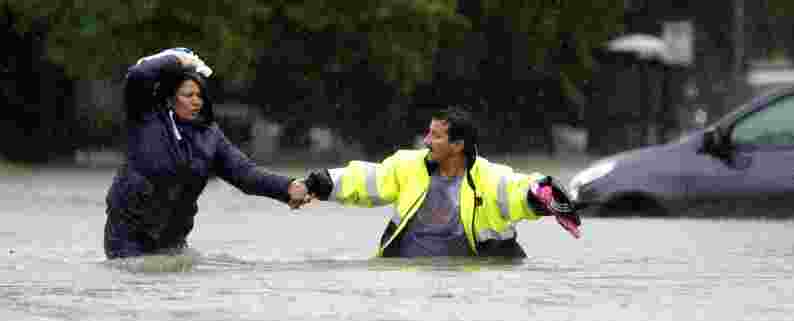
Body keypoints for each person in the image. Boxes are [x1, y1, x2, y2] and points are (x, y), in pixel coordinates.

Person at [103, 48, 311, 259]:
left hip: (172, 240)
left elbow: (246, 174)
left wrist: (287, 188)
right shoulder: (144, 116)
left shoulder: (209, 135)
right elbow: (139, 74)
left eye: (200, 95)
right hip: (128, 239)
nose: (197, 101)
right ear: (169, 98)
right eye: (188, 95)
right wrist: (179, 59)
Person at [301, 106, 581, 258]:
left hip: (468, 285)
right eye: (428, 133)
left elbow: (517, 189)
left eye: (436, 136)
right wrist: (320, 182)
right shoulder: (408, 165)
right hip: (407, 282)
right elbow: (366, 179)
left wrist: (543, 192)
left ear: (458, 144)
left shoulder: (489, 177)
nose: (426, 140)